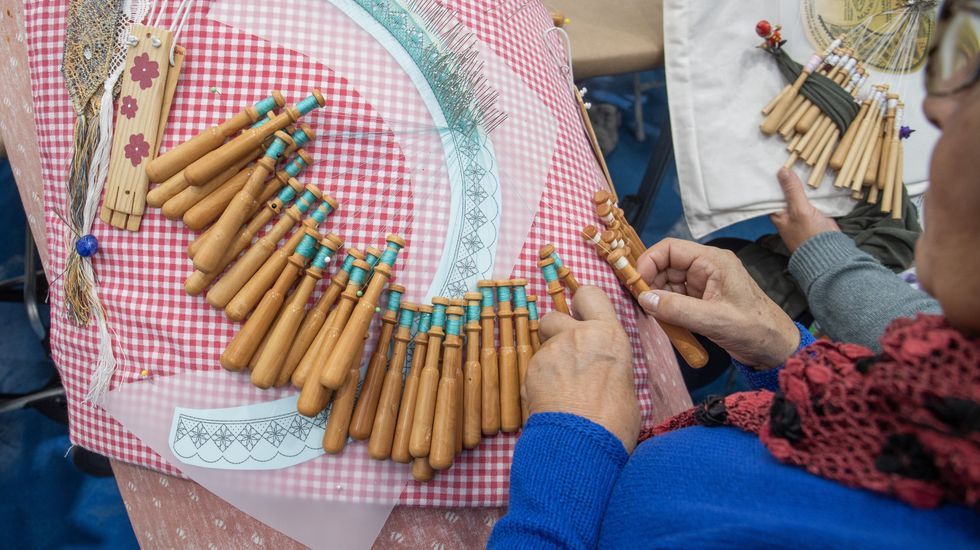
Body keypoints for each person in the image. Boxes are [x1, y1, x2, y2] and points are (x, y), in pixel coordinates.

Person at [489, 1, 980, 547]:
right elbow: (880, 412)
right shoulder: (950, 380)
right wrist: (787, 352)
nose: (936, 108)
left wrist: (574, 443)